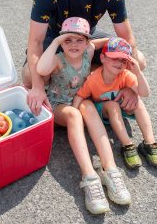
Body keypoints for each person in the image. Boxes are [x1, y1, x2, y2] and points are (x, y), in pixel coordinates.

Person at [23, 0, 146, 116]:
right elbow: (35, 42)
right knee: (30, 77)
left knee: (140, 61)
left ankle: (90, 85)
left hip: (87, 38)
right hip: (55, 38)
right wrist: (38, 87)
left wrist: (132, 86)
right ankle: (84, 84)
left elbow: (127, 38)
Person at [37, 17, 131, 215]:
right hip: (59, 105)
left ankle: (110, 170)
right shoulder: (57, 60)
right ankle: (89, 177)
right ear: (62, 42)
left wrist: (118, 44)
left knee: (87, 107)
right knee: (74, 115)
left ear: (87, 42)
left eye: (79, 40)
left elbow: (102, 42)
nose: (73, 45)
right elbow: (41, 69)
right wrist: (54, 42)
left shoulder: (89, 50)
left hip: (80, 98)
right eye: (68, 40)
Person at [73, 37, 157, 169]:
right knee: (112, 105)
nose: (119, 63)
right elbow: (79, 96)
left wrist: (138, 72)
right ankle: (127, 145)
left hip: (121, 108)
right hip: (103, 111)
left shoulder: (125, 75)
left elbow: (145, 93)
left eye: (123, 60)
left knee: (138, 102)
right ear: (103, 58)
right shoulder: (93, 78)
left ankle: (150, 142)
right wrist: (77, 118)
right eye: (115, 58)